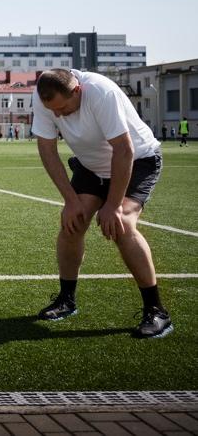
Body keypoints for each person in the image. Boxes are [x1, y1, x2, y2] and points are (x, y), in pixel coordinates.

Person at [32, 69, 171, 339]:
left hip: (136, 161)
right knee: (72, 224)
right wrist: (70, 201)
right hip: (91, 166)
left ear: (77, 91)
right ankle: (66, 300)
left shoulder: (100, 92)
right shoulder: (44, 97)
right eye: (53, 111)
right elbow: (47, 151)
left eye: (63, 108)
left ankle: (157, 311)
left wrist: (114, 206)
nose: (58, 116)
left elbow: (124, 150)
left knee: (122, 226)